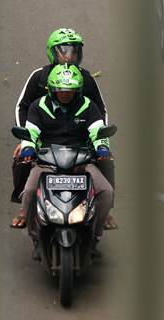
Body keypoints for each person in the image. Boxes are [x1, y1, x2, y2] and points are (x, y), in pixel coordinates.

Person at [11, 28, 117, 229]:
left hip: (80, 143)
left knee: (108, 160)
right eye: (64, 50)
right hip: (43, 139)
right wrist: (25, 141)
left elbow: (99, 111)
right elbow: (22, 107)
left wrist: (100, 142)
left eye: (74, 51)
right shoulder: (39, 78)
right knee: (20, 159)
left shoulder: (85, 79)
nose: (70, 55)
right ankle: (24, 207)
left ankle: (105, 210)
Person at [17, 64, 114, 258]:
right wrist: (28, 147)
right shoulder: (38, 107)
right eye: (61, 91)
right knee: (28, 193)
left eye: (69, 91)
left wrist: (102, 147)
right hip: (47, 162)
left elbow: (97, 129)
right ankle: (36, 238)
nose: (65, 95)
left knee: (106, 192)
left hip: (81, 162)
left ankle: (94, 236)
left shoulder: (88, 106)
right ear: (52, 90)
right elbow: (32, 132)